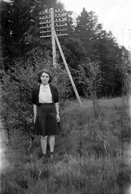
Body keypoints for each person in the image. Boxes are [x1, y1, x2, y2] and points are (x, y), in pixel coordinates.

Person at [32, 69, 60, 162]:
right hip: (41, 112)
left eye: (47, 77)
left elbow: (56, 102)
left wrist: (57, 114)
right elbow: (35, 104)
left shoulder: (54, 89)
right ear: (40, 78)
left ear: (49, 78)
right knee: (43, 135)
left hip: (52, 111)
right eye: (43, 76)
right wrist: (35, 116)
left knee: (52, 134)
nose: (45, 78)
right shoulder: (35, 90)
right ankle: (44, 154)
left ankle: (51, 153)